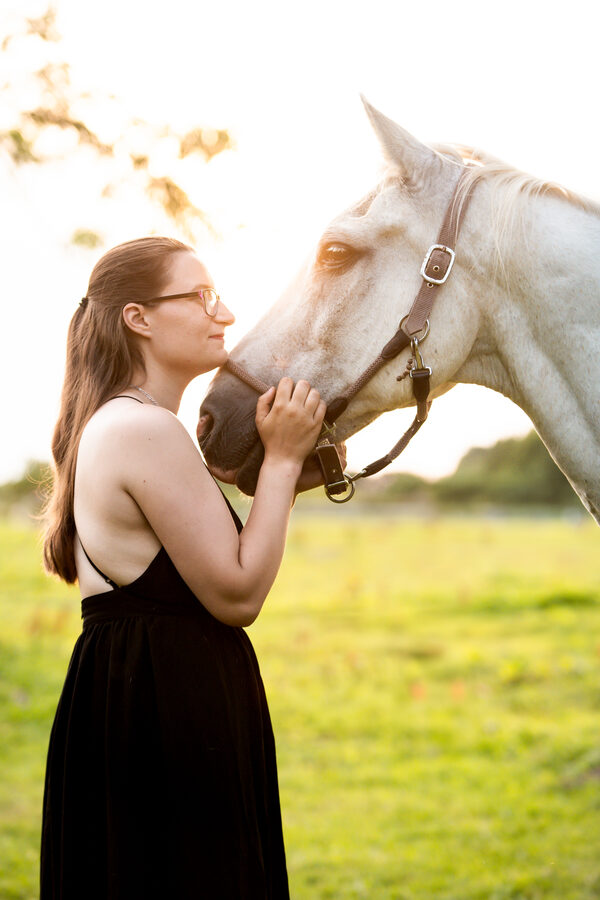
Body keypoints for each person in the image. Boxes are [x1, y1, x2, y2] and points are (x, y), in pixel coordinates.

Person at [41, 236, 328, 899]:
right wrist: (284, 457)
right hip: (169, 716)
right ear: (138, 317)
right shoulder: (144, 428)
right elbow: (237, 594)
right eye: (200, 297)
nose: (223, 313)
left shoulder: (120, 423)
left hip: (143, 701)